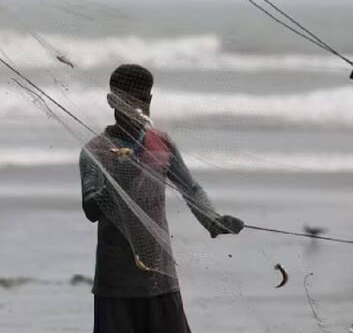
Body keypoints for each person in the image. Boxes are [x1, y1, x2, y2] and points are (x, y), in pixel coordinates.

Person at [79, 64, 245, 333]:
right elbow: (90, 210)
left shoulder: (162, 143)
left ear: (150, 100)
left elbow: (190, 189)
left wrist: (212, 220)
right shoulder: (96, 151)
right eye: (128, 102)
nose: (137, 109)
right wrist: (118, 178)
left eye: (142, 101)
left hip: (161, 277)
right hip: (116, 282)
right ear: (112, 101)